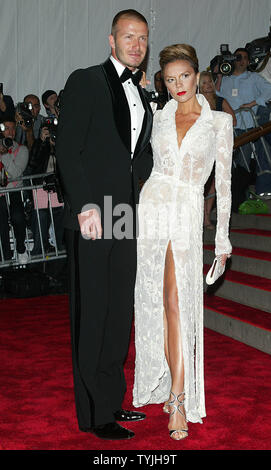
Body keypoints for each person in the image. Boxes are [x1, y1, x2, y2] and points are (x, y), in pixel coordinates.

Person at [56, 9, 153, 441]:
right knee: (93, 312)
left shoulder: (143, 93)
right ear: (111, 40)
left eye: (143, 38)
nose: (136, 44)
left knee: (118, 312)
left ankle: (113, 399)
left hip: (125, 213)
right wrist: (84, 206)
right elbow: (68, 150)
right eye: (128, 37)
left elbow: (138, 160)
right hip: (94, 213)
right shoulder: (86, 80)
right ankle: (95, 413)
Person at [133, 44, 233, 441]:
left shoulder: (219, 123)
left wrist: (222, 238)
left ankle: (178, 394)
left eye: (184, 77)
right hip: (153, 206)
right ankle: (166, 382)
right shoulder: (157, 117)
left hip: (187, 211)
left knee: (176, 300)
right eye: (170, 79)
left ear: (198, 75)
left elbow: (222, 186)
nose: (178, 85)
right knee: (156, 299)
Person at [215, 47, 271, 199]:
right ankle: (231, 195)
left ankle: (242, 194)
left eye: (245, 58)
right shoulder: (225, 78)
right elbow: (216, 96)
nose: (241, 60)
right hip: (228, 129)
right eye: (238, 57)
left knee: (243, 163)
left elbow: (269, 90)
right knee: (227, 164)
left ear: (248, 61)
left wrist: (253, 103)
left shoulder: (253, 78)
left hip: (247, 128)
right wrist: (219, 76)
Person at [199, 71, 236, 228]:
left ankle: (206, 218)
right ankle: (201, 217)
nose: (207, 85)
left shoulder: (220, 101)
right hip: (200, 147)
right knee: (202, 183)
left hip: (218, 146)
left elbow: (232, 120)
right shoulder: (194, 102)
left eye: (209, 82)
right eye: (204, 83)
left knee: (213, 183)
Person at [0, 119, 29, 263]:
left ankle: (21, 248)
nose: (10, 132)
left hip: (15, 192)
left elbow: (15, 173)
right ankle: (5, 257)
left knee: (17, 217)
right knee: (2, 223)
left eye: (12, 128)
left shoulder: (21, 149)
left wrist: (4, 155)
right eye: (6, 128)